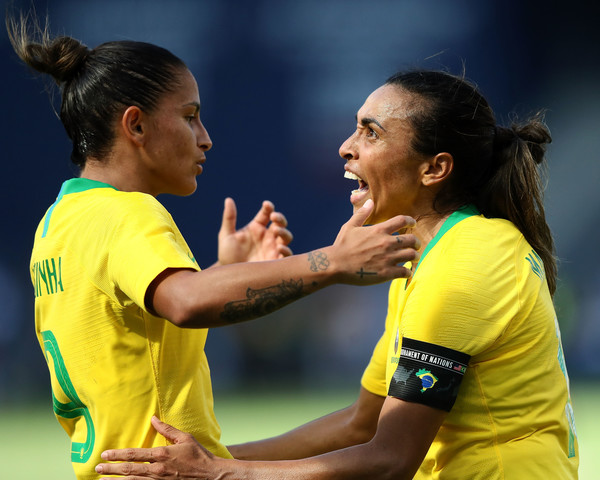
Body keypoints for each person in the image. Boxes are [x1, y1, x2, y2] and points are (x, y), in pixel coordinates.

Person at [96, 69, 580, 480]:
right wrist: (208, 462)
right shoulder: (428, 255)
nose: (346, 147)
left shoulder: (464, 263)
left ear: (435, 168)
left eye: (371, 133)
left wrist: (220, 473)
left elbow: (390, 459)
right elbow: (362, 423)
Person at [6, 12, 421, 480]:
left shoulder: (60, 220)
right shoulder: (128, 213)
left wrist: (223, 271)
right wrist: (331, 262)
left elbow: (142, 331)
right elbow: (185, 303)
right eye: (189, 117)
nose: (205, 138)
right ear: (135, 126)